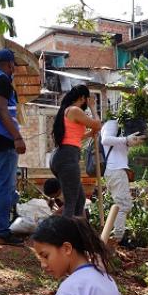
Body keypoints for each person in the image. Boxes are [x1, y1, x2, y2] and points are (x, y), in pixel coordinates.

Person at [0, 48, 28, 246]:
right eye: (14, 65)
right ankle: (2, 232)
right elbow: (2, 110)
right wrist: (17, 137)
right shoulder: (2, 80)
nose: (14, 68)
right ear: (10, 64)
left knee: (3, 186)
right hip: (4, 138)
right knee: (4, 186)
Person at [50, 85, 103, 218]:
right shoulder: (74, 110)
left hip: (63, 156)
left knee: (80, 200)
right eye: (88, 100)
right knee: (71, 203)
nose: (88, 103)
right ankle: (66, 236)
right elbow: (97, 124)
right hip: (67, 157)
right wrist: (93, 107)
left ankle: (76, 231)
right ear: (83, 98)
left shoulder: (68, 111)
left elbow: (73, 136)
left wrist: (89, 134)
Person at [99, 117, 144, 247]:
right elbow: (105, 139)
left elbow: (121, 145)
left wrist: (131, 140)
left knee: (123, 205)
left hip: (117, 171)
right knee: (123, 205)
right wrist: (126, 140)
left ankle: (117, 237)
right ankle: (118, 239)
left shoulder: (121, 128)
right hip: (115, 170)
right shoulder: (112, 123)